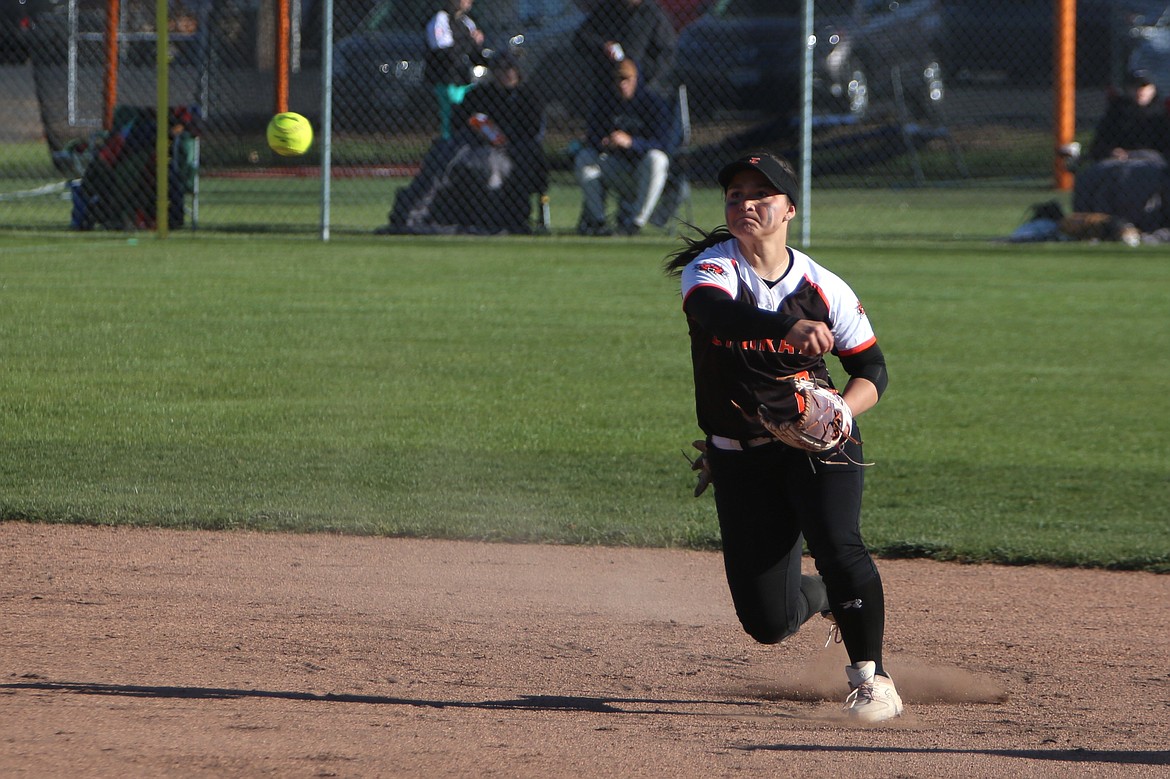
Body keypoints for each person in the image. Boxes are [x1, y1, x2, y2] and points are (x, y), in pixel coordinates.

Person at [662, 152, 902, 723]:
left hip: (820, 443)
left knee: (840, 544)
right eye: (736, 193)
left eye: (762, 193)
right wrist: (784, 327)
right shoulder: (712, 271)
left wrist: (842, 410)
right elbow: (718, 316)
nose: (746, 202)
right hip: (740, 456)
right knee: (768, 623)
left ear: (790, 209)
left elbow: (874, 371)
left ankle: (873, 678)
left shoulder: (825, 287)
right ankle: (819, 597)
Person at [381, 52, 546, 235]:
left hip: (509, 154)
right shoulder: (479, 94)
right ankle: (411, 212)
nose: (503, 73)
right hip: (471, 149)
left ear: (518, 71)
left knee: (483, 159)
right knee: (446, 151)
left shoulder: (528, 98)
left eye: (508, 68)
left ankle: (487, 221)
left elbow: (531, 134)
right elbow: (457, 124)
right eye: (498, 69)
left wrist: (501, 138)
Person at [574, 58, 674, 236]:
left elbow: (665, 143)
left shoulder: (654, 103)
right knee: (584, 157)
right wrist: (604, 142)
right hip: (616, 168)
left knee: (657, 159)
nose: (622, 84)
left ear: (636, 80)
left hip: (643, 171)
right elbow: (592, 137)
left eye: (626, 79)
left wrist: (632, 143)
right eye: (618, 79)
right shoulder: (605, 103)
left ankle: (635, 223)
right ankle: (599, 222)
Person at [1067, 69, 1170, 234]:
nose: (1139, 91)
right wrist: (1111, 151)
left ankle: (1138, 225)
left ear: (1153, 89)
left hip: (1151, 162)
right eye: (1135, 87)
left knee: (1133, 177)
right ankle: (1091, 224)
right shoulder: (1116, 114)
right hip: (1115, 162)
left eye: (1144, 86)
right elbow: (1098, 146)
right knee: (1091, 176)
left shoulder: (1161, 115)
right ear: (1127, 89)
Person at [571, 0, 677, 100]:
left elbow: (667, 52)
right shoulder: (607, 9)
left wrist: (639, 73)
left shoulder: (653, 13)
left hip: (642, 89)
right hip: (607, 88)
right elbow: (581, 37)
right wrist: (603, 46)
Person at [425, 0, 486, 139]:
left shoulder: (467, 22)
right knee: (450, 119)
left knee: (468, 118)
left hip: (465, 80)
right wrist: (470, 41)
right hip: (447, 81)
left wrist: (478, 43)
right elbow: (446, 53)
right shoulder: (440, 19)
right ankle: (448, 149)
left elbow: (473, 54)